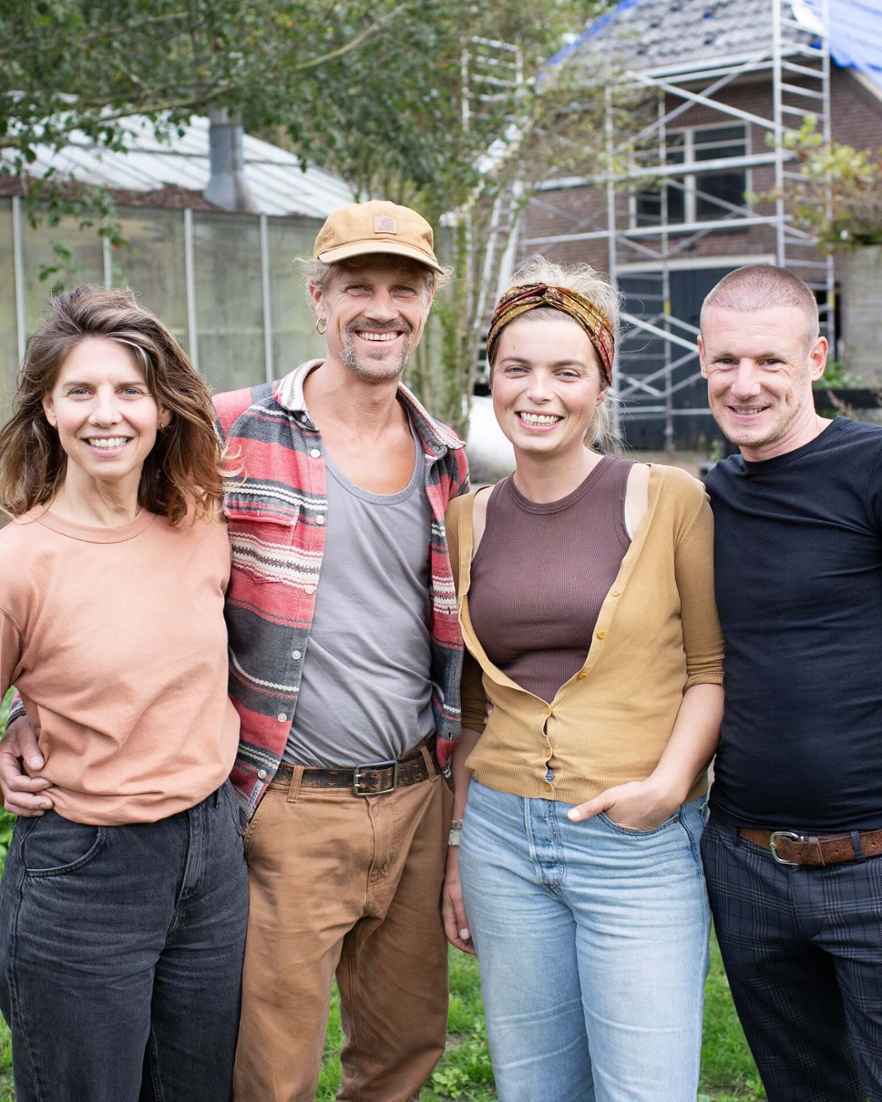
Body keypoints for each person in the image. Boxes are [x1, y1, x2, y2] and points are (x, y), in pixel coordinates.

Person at [2, 201, 470, 1102]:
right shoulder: (229, 436)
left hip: (399, 796)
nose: (381, 308)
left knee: (397, 1049)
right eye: (357, 287)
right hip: (277, 801)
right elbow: (80, 578)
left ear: (427, 304)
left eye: (403, 289)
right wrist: (30, 712)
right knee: (263, 1073)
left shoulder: (443, 455)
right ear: (318, 299)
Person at [442, 257, 724, 1102]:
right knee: (536, 1090)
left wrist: (667, 788)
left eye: (567, 372)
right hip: (501, 840)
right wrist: (459, 848)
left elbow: (709, 669)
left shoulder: (669, 500)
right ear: (492, 379)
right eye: (516, 369)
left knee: (646, 1089)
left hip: (635, 845)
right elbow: (476, 703)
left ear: (601, 385)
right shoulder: (468, 517)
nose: (539, 392)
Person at [0, 286, 247, 1102]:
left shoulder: (200, 523)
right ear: (48, 408)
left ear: (163, 408)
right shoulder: (20, 560)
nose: (106, 414)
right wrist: (15, 732)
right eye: (80, 391)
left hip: (212, 855)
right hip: (86, 870)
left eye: (129, 391)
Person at [698, 264, 882, 1101]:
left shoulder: (870, 466)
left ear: (815, 359)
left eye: (769, 360)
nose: (746, 385)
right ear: (702, 361)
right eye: (726, 361)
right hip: (749, 867)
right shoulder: (708, 498)